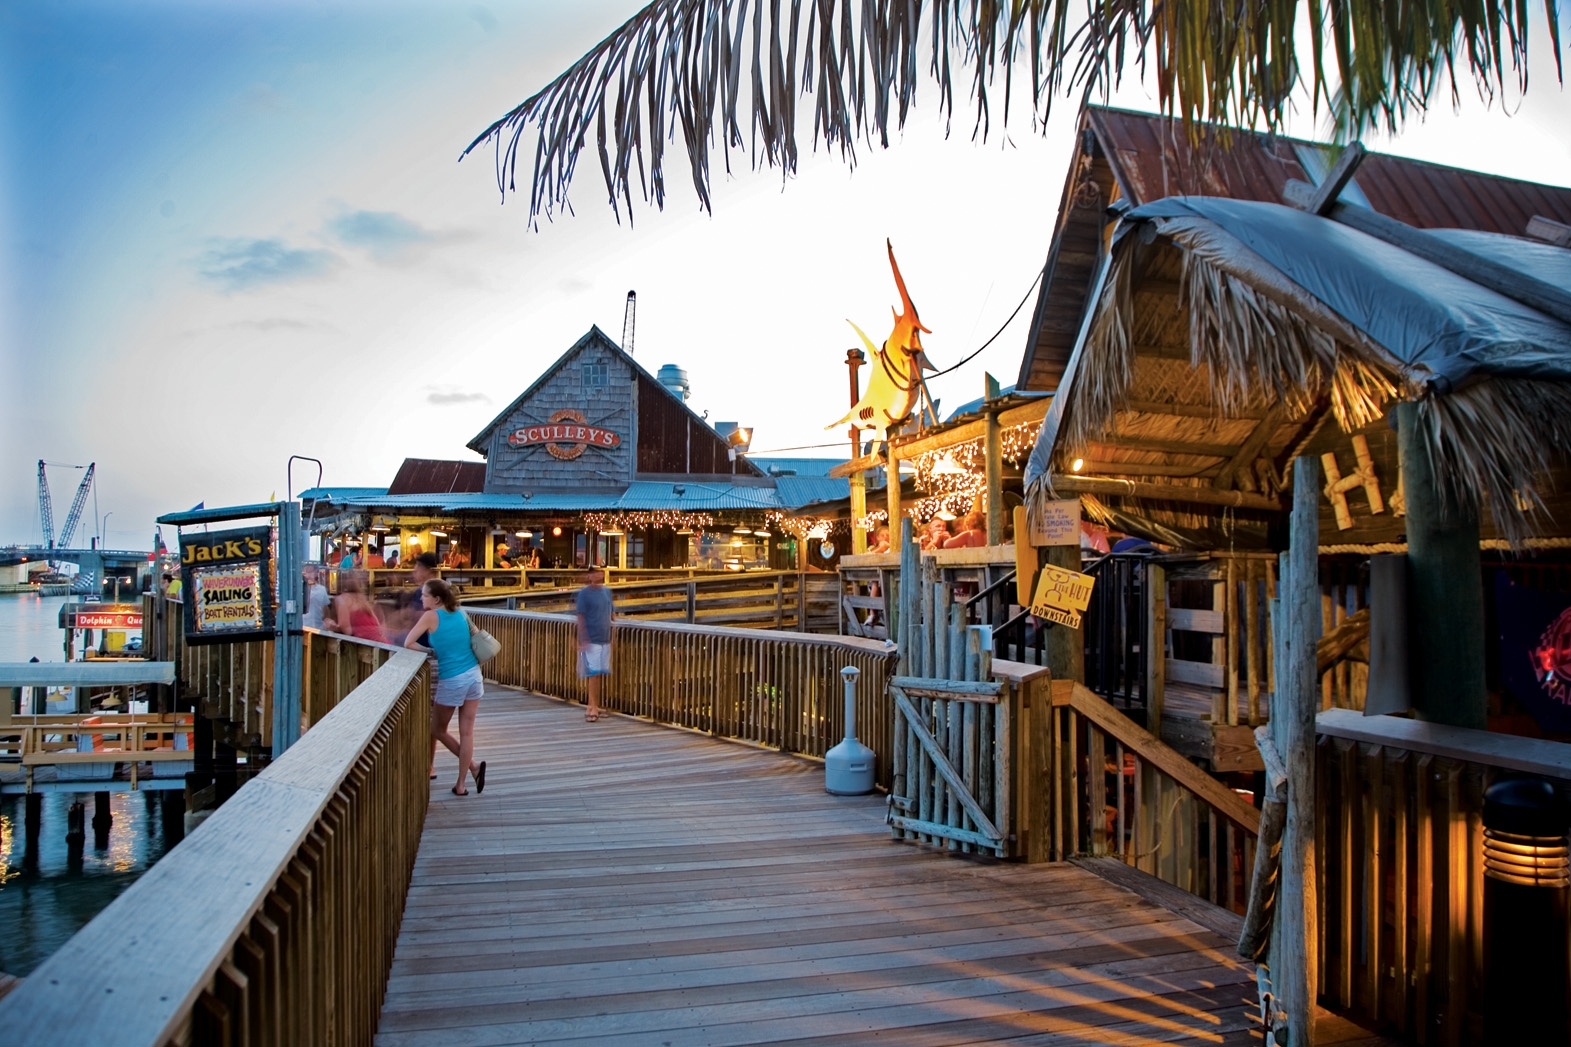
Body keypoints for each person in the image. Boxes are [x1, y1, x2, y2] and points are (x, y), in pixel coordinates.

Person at [405, 578, 486, 796]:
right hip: (474, 676)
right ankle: (462, 783)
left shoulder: (431, 616)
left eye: (424, 595)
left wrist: (430, 653)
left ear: (436, 599)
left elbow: (408, 643)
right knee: (467, 732)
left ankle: (474, 767)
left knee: (437, 730)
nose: (421, 598)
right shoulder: (460, 612)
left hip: (452, 678)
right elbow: (474, 637)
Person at [575, 567, 614, 722]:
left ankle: (595, 705)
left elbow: (612, 613)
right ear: (589, 576)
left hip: (605, 638)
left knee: (601, 673)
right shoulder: (584, 593)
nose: (598, 575)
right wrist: (583, 639)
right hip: (591, 638)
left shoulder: (607, 592)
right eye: (595, 573)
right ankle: (591, 707)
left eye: (600, 572)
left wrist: (613, 635)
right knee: (593, 674)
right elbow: (580, 616)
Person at [326, 573, 387, 643]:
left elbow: (347, 631)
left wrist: (333, 627)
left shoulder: (341, 599)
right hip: (380, 641)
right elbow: (377, 623)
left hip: (365, 644)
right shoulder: (362, 598)